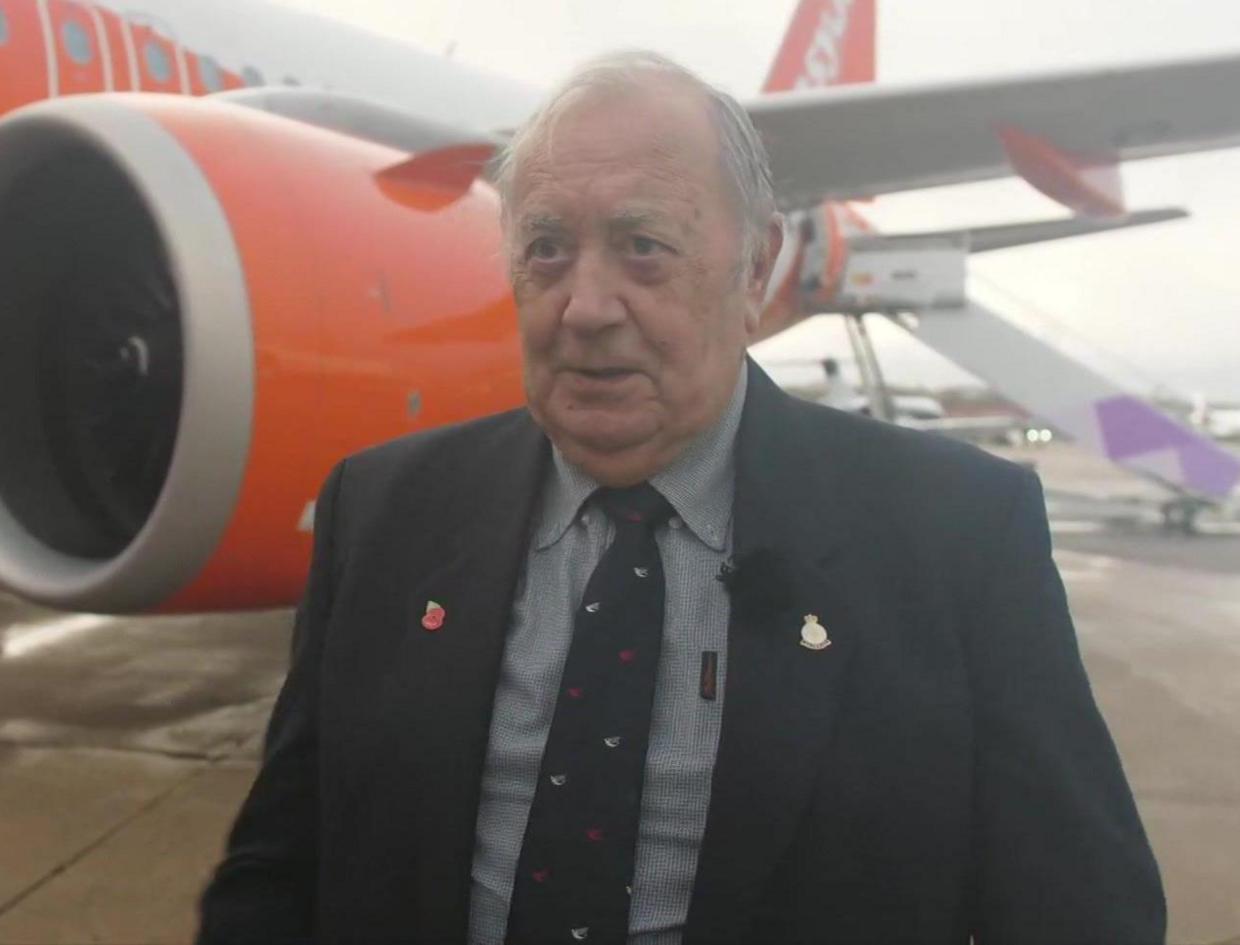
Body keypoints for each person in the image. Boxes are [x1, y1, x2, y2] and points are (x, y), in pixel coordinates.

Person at [198, 50, 1163, 944]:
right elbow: (280, 865)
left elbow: (1083, 909)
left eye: (644, 246)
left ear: (755, 271)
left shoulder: (957, 535)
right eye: (544, 250)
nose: (584, 305)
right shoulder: (383, 512)